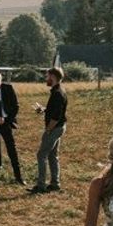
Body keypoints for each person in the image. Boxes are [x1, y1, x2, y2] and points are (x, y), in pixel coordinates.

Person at [29, 66, 68, 194]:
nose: (46, 78)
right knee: (52, 155)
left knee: (41, 155)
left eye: (47, 76)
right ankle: (55, 183)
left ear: (53, 77)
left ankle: (41, 185)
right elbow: (56, 110)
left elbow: (56, 117)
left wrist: (48, 130)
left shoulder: (57, 94)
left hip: (55, 128)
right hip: (59, 127)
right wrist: (44, 110)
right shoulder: (59, 91)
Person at [0, 68, 24, 185]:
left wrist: (7, 119)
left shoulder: (8, 88)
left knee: (11, 148)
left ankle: (18, 176)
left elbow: (15, 106)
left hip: (6, 122)